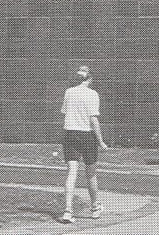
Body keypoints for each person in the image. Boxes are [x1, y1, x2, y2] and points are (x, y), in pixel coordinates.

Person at [58, 65, 107, 224]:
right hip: (87, 135)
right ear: (90, 78)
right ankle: (95, 207)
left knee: (71, 172)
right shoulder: (93, 94)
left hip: (70, 134)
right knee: (91, 173)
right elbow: (93, 119)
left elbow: (65, 113)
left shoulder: (69, 92)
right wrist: (100, 141)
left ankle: (68, 211)